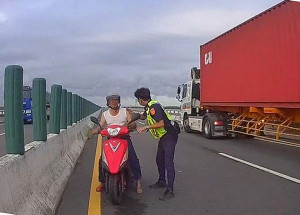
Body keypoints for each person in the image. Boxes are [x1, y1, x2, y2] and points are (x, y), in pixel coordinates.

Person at [92, 94, 143, 194]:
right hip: (111, 138)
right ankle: (102, 181)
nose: (114, 102)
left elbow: (132, 123)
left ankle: (138, 181)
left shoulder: (124, 111)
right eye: (111, 101)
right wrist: (97, 129)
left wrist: (130, 124)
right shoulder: (105, 114)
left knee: (132, 157)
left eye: (116, 100)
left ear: (119, 101)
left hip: (124, 138)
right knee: (102, 160)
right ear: (108, 103)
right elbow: (101, 125)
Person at [134, 87, 178, 200]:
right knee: (159, 160)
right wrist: (132, 114)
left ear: (140, 99)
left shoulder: (154, 107)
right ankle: (162, 181)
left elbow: (161, 123)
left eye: (137, 99)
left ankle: (170, 189)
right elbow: (143, 116)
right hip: (164, 137)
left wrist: (145, 127)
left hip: (169, 135)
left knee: (168, 162)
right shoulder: (149, 107)